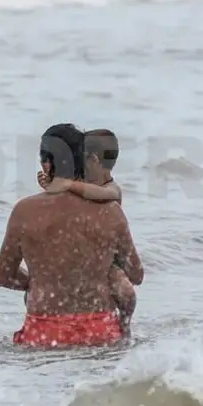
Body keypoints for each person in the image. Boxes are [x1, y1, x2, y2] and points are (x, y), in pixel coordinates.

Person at [0, 124, 143, 347]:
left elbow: (4, 276)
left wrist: (40, 282)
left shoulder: (24, 211)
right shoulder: (110, 212)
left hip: (43, 333)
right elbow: (136, 274)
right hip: (99, 331)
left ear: (46, 163)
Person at [37, 128, 142, 333]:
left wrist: (65, 184)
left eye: (81, 158)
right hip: (93, 251)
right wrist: (51, 185)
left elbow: (95, 193)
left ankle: (125, 324)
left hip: (110, 257)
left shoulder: (111, 188)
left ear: (93, 160)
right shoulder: (88, 184)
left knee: (126, 292)